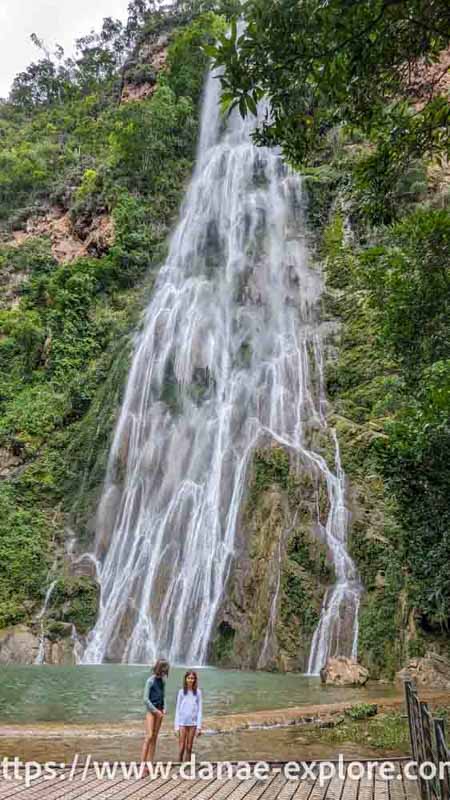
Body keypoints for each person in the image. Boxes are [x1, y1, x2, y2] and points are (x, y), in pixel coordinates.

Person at [141, 658, 170, 768]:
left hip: (160, 711)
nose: (165, 672)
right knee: (149, 737)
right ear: (158, 668)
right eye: (163, 669)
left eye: (166, 670)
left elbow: (164, 696)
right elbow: (145, 699)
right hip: (152, 711)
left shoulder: (162, 681)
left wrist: (164, 708)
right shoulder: (150, 681)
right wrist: (155, 711)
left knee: (155, 738)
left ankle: (150, 764)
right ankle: (142, 766)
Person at [174, 670, 202, 762]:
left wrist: (199, 727)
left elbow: (199, 710)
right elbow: (177, 710)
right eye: (189, 678)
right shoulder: (181, 692)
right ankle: (179, 765)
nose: (190, 680)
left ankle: (187, 766)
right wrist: (176, 727)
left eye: (192, 678)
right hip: (182, 723)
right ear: (185, 679)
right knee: (181, 747)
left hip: (193, 723)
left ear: (195, 680)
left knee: (189, 747)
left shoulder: (198, 693)